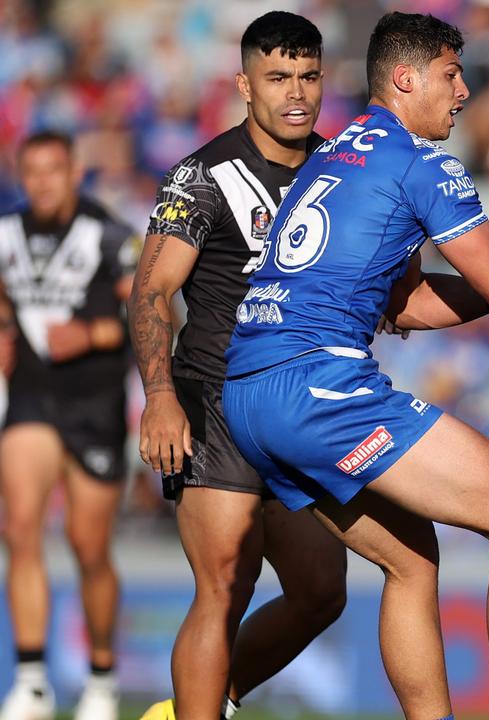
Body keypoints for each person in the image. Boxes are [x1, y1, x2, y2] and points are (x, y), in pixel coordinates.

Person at [221, 12, 489, 720]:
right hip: (318, 386)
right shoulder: (423, 162)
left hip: (250, 392)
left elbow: (407, 306)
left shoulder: (335, 153)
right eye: (452, 74)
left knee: (410, 565)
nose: (465, 91)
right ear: (406, 79)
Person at [128, 13, 347, 720]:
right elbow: (153, 290)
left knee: (321, 589)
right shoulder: (201, 175)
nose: (297, 93)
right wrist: (159, 397)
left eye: (309, 76)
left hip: (302, 402)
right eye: (278, 77)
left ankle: (204, 699)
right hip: (213, 402)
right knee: (224, 580)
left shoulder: (342, 171)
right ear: (244, 84)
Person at [0, 131, 136, 720]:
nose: (42, 183)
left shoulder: (111, 237)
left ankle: (101, 680)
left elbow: (156, 319)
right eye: (32, 172)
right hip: (30, 401)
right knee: (21, 530)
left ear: (75, 171)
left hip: (94, 406)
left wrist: (90, 334)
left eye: (53, 170)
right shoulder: (6, 235)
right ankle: (31, 680)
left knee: (88, 547)